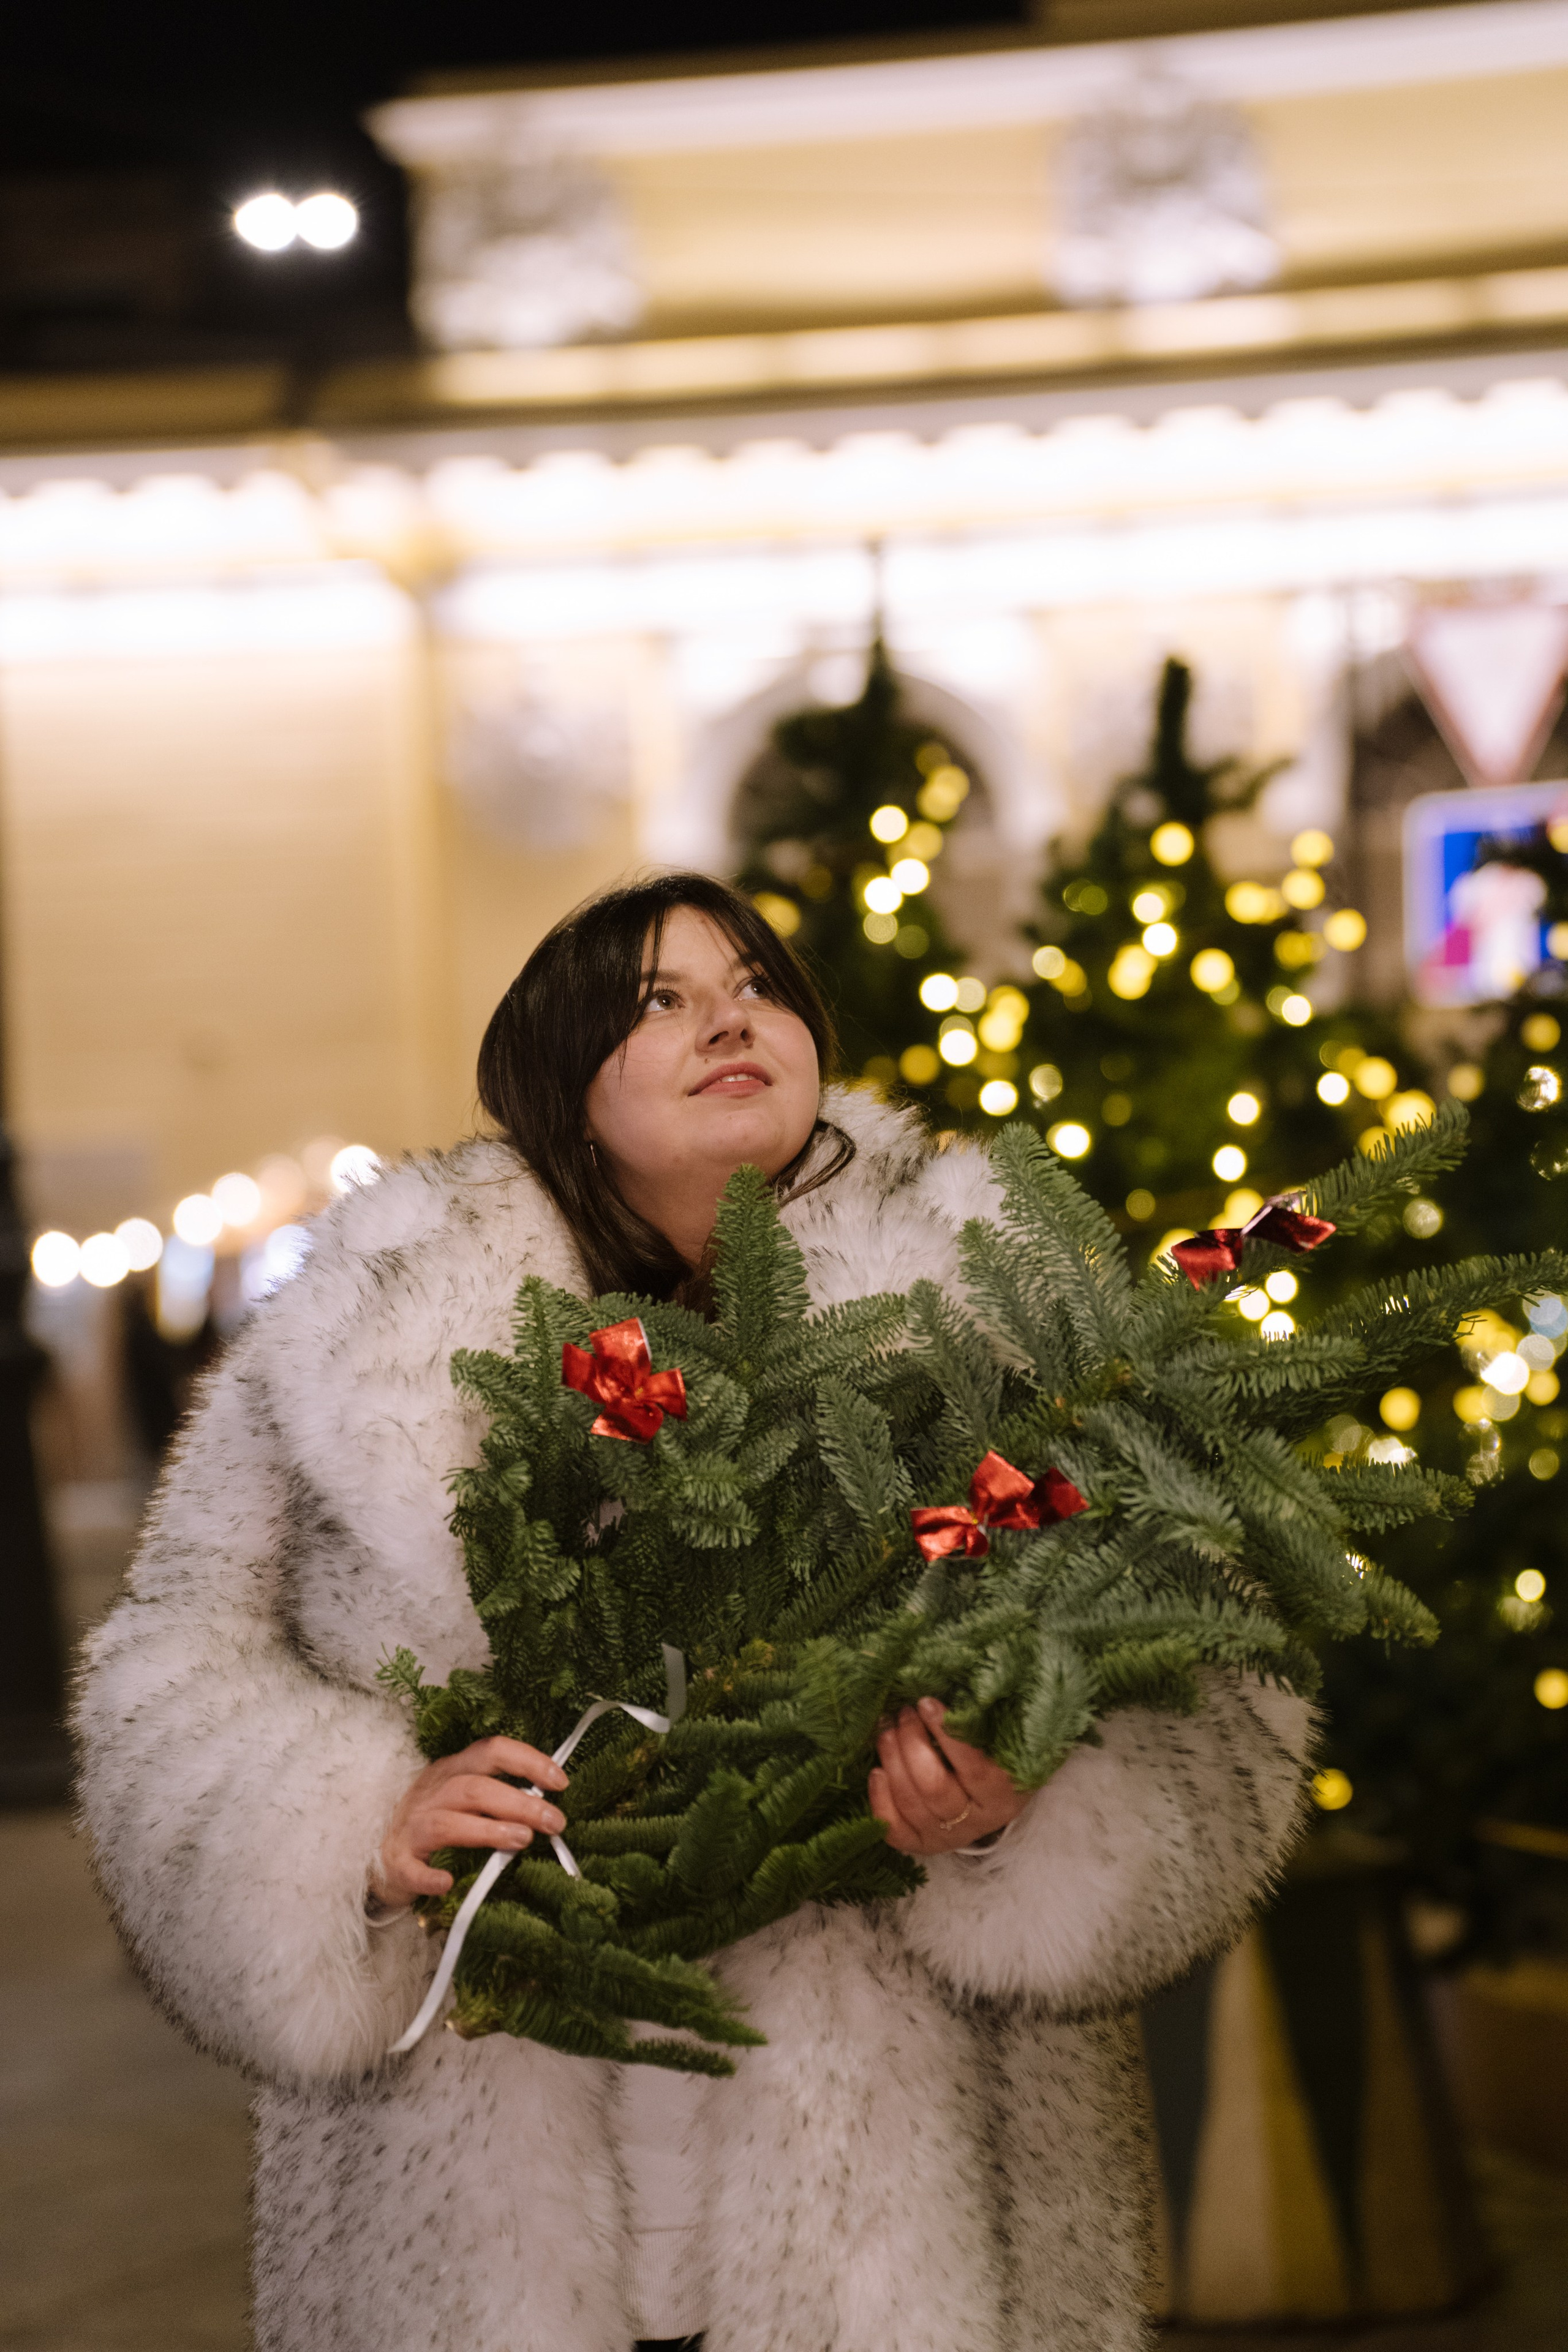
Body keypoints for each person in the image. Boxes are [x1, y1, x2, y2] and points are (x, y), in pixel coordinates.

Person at [77, 872, 1311, 2352]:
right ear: (553, 1080)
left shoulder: (1004, 1314)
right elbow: (171, 1663)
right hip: (476, 2199)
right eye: (657, 1000)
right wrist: (353, 1822)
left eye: (755, 984)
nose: (728, 1017)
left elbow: (1213, 1655)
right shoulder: (363, 1335)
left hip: (902, 2216)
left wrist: (1014, 1802)